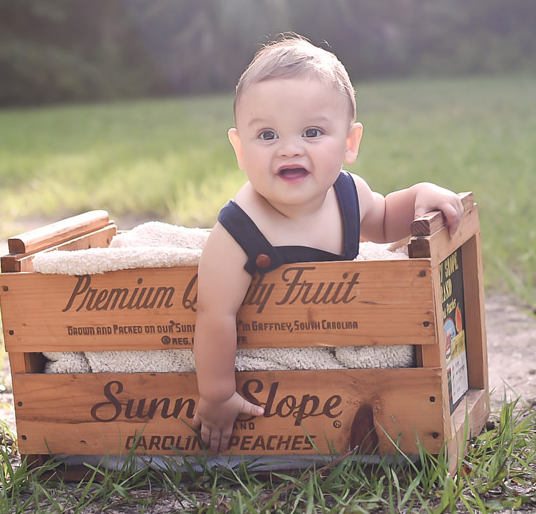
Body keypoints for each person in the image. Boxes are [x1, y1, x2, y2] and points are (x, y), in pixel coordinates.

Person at [192, 35, 465, 453]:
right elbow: (215, 314)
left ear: (349, 143)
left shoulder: (347, 195)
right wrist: (216, 394)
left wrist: (417, 197)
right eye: (266, 135)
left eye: (313, 131)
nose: (289, 148)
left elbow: (387, 219)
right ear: (240, 149)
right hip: (282, 383)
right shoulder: (238, 231)